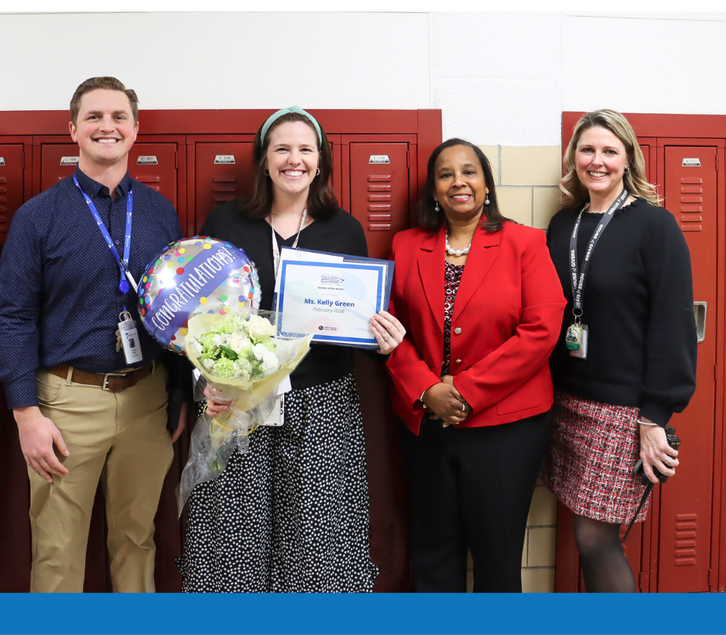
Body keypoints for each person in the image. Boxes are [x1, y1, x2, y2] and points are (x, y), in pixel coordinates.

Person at [177, 106, 407, 592]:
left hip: (321, 404)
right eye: (282, 148)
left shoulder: (342, 228)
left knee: (320, 539)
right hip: (238, 402)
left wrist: (382, 344)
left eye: (305, 149)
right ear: (264, 160)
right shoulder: (226, 222)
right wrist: (206, 385)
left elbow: (352, 326)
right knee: (232, 538)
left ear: (320, 162)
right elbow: (199, 321)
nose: (294, 159)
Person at [0, 76, 188, 593]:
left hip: (146, 396)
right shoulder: (37, 217)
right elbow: (13, 317)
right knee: (57, 550)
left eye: (119, 116)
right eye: (95, 117)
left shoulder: (158, 212)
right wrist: (25, 413)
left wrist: (177, 391)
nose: (108, 126)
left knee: (137, 539)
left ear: (136, 129)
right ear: (73, 130)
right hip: (66, 402)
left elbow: (178, 311)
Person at [385, 138, 566, 592]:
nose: (458, 181)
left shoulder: (525, 242)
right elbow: (389, 331)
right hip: (427, 424)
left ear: (487, 184)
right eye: (445, 174)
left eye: (470, 171)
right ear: (433, 190)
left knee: (497, 556)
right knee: (432, 552)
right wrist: (427, 389)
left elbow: (542, 329)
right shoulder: (406, 246)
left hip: (507, 427)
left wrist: (464, 392)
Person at [541, 109, 697, 592]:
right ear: (573, 159)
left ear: (628, 159)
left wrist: (653, 416)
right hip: (566, 401)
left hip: (622, 411)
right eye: (587, 150)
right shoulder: (562, 225)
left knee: (594, 539)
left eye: (609, 151)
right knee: (582, 531)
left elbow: (673, 324)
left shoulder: (655, 225)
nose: (597, 161)